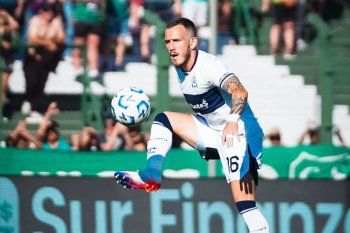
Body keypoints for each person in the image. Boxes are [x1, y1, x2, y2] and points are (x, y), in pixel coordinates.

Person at [114, 18, 269, 232]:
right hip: (212, 130)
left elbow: (240, 91)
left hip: (241, 134)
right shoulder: (180, 64)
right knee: (163, 120)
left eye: (177, 40)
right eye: (167, 41)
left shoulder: (209, 66)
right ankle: (152, 172)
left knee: (245, 204)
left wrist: (232, 122)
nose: (171, 47)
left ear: (193, 42)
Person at [22, 3, 65, 119]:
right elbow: (32, 38)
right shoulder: (35, 21)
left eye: (50, 11)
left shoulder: (55, 22)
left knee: (41, 82)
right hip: (33, 58)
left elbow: (61, 37)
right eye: (46, 11)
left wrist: (53, 36)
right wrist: (48, 42)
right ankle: (28, 102)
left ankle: (34, 105)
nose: (48, 14)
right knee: (32, 81)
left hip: (46, 60)